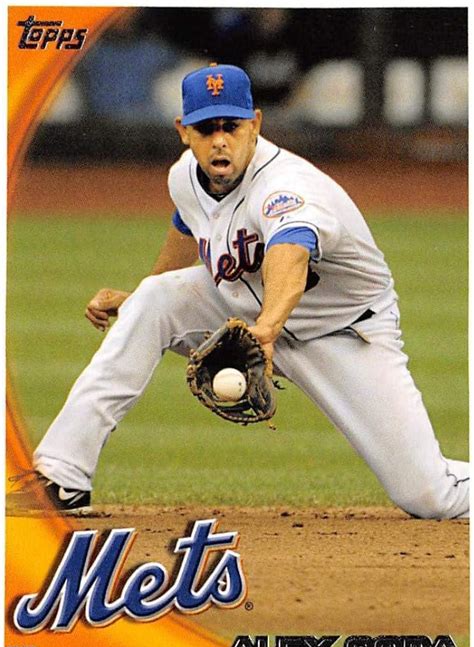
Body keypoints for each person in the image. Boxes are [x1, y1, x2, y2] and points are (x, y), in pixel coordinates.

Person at [8, 64, 469, 519]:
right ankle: (63, 476)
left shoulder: (286, 188)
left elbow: (290, 256)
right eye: (206, 129)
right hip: (248, 313)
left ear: (256, 124)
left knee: (429, 495)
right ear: (183, 131)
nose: (220, 140)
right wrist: (139, 300)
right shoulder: (185, 176)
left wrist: (265, 331)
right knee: (154, 299)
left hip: (343, 334)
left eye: (231, 126)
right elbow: (188, 224)